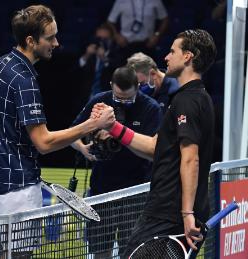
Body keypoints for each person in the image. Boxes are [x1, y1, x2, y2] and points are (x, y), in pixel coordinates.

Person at [0, 5, 115, 257]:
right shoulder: (25, 80)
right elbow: (43, 143)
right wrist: (92, 125)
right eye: (50, 37)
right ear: (31, 41)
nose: (57, 42)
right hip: (18, 190)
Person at [93, 29, 217, 258]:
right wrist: (113, 127)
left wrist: (187, 212)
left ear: (188, 56)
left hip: (169, 213)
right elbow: (154, 147)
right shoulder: (195, 98)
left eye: (172, 51)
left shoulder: (188, 101)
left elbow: (191, 158)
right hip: (170, 211)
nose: (166, 58)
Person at [71, 66, 161, 258]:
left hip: (136, 193)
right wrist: (84, 149)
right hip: (102, 191)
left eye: (128, 99)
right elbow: (72, 134)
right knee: (100, 252)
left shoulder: (151, 108)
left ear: (138, 86)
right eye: (118, 98)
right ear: (111, 86)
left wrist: (116, 133)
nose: (123, 102)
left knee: (132, 252)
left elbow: (155, 152)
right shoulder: (99, 101)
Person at [107, 0, 169, 65]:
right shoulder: (121, 1)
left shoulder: (155, 1)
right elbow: (110, 21)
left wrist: (157, 35)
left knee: (147, 73)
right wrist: (117, 36)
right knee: (125, 74)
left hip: (147, 46)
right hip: (126, 46)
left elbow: (165, 19)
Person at [78, 23, 118, 100]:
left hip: (107, 98)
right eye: (99, 38)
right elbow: (75, 75)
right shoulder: (89, 52)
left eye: (105, 39)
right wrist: (86, 56)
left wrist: (104, 58)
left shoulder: (117, 53)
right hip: (87, 97)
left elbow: (116, 73)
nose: (101, 42)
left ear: (111, 39)